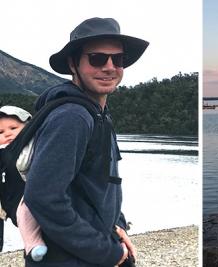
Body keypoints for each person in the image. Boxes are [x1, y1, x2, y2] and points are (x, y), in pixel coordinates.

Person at [23, 17, 148, 266]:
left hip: (91, 247)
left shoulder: (97, 114)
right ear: (73, 64)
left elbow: (100, 186)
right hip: (71, 258)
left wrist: (117, 224)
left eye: (118, 59)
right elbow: (43, 197)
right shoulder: (72, 116)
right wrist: (106, 252)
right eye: (97, 58)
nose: (110, 67)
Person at [0, 105, 49, 261]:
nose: (7, 134)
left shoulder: (38, 145)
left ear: (28, 126)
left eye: (13, 128)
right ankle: (34, 245)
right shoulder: (3, 153)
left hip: (38, 197)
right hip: (16, 202)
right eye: (0, 132)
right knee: (25, 218)